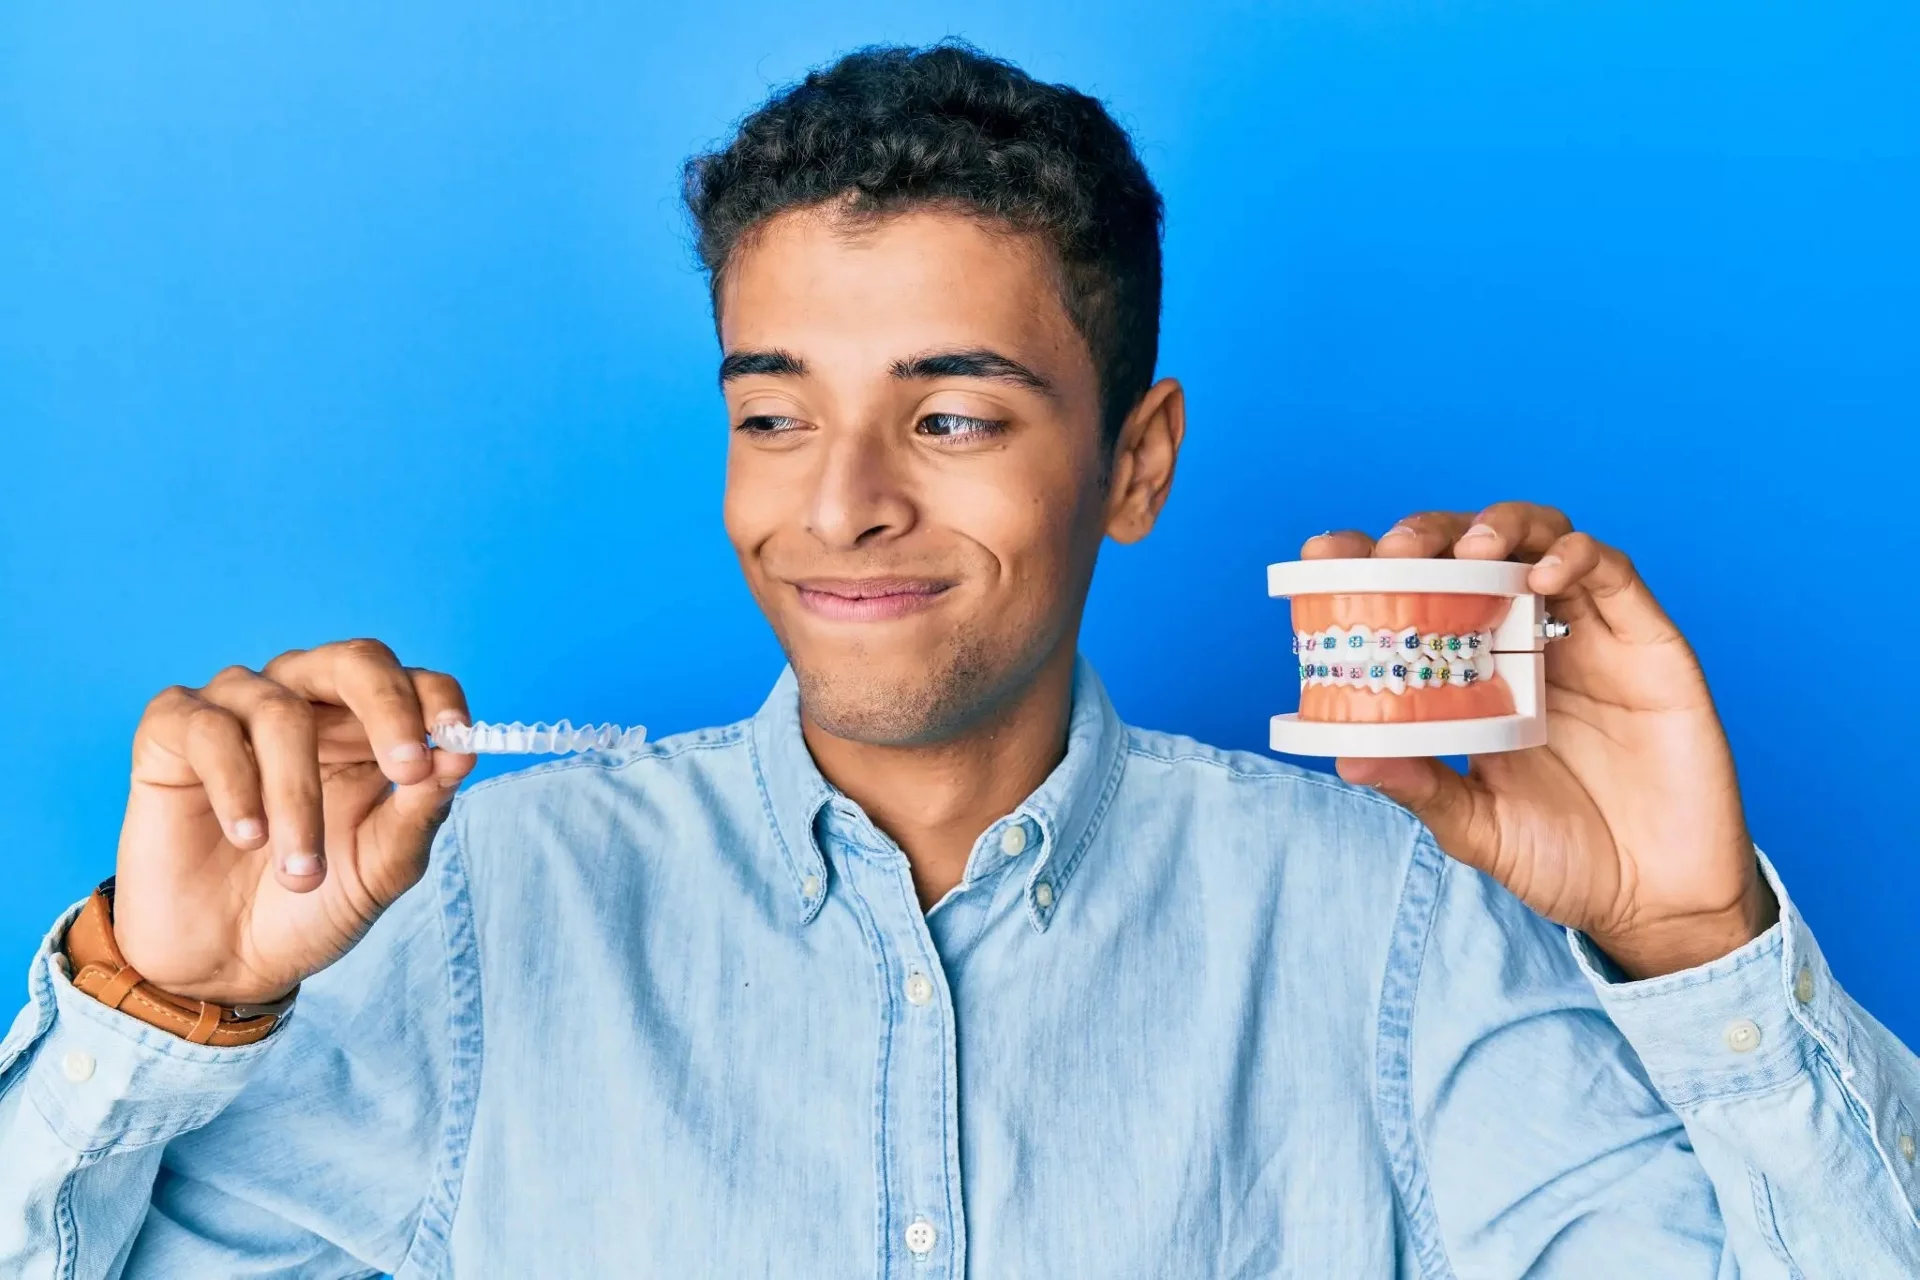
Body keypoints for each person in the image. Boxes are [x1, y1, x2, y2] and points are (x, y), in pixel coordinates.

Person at [2, 41, 1915, 1279]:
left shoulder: (1393, 924)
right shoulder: (471, 912)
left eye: (952, 419)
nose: (835, 508)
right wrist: (153, 1006)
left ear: (1136, 462)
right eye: (773, 416)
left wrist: (1690, 940)